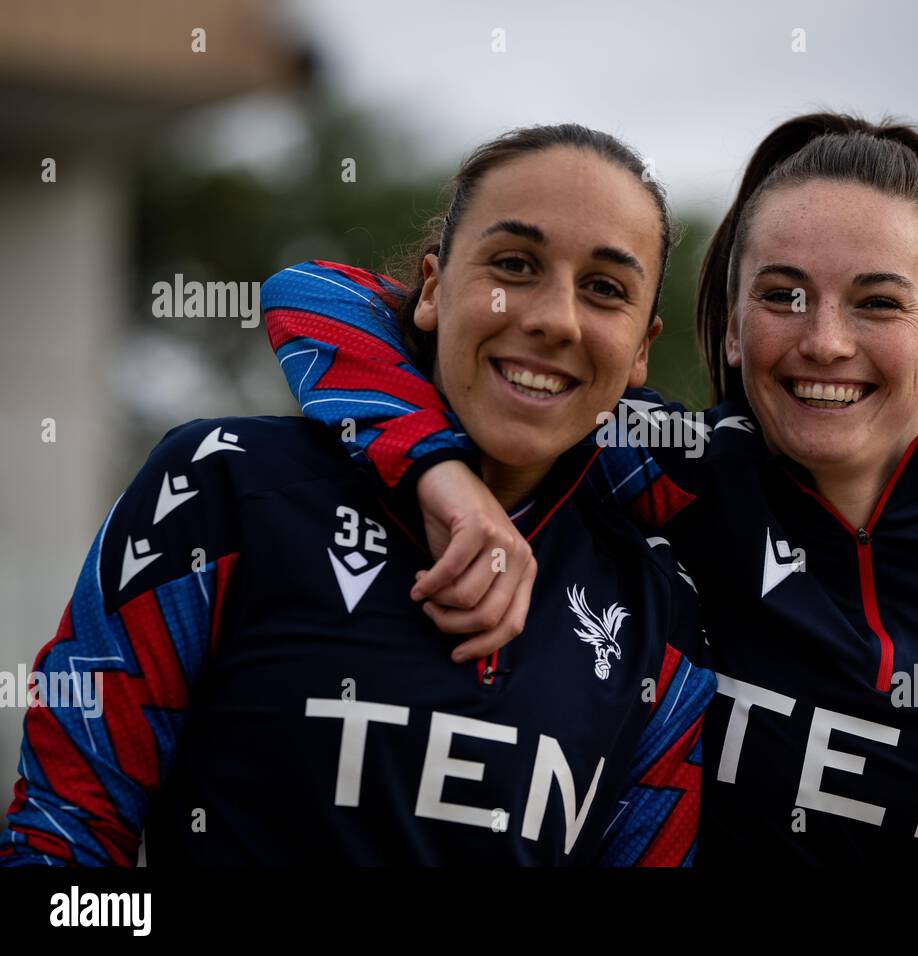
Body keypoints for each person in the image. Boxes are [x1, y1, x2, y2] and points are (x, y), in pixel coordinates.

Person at [262, 113, 918, 866]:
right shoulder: (659, 468)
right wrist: (442, 471)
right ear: (727, 330)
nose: (822, 341)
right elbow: (319, 295)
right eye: (781, 293)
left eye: (877, 301)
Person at [0, 124, 713, 866]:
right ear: (432, 290)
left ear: (642, 349)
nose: (553, 319)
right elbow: (59, 848)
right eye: (513, 264)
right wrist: (434, 465)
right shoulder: (223, 487)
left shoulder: (660, 609)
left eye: (604, 288)